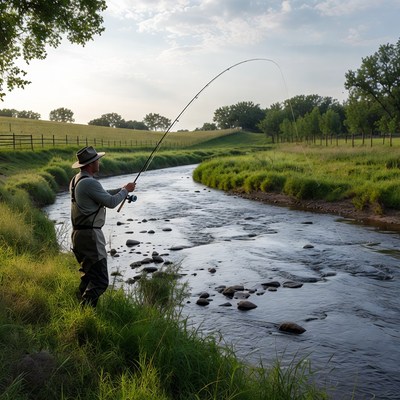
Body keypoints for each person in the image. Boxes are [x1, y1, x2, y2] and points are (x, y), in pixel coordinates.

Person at [70, 146, 136, 307]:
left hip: (79, 235)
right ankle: (84, 312)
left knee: (89, 275)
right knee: (100, 281)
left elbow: (103, 193)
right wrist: (125, 191)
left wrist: (122, 190)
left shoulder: (77, 179)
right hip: (90, 237)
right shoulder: (89, 183)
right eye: (97, 160)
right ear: (91, 164)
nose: (99, 162)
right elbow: (111, 202)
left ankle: (80, 308)